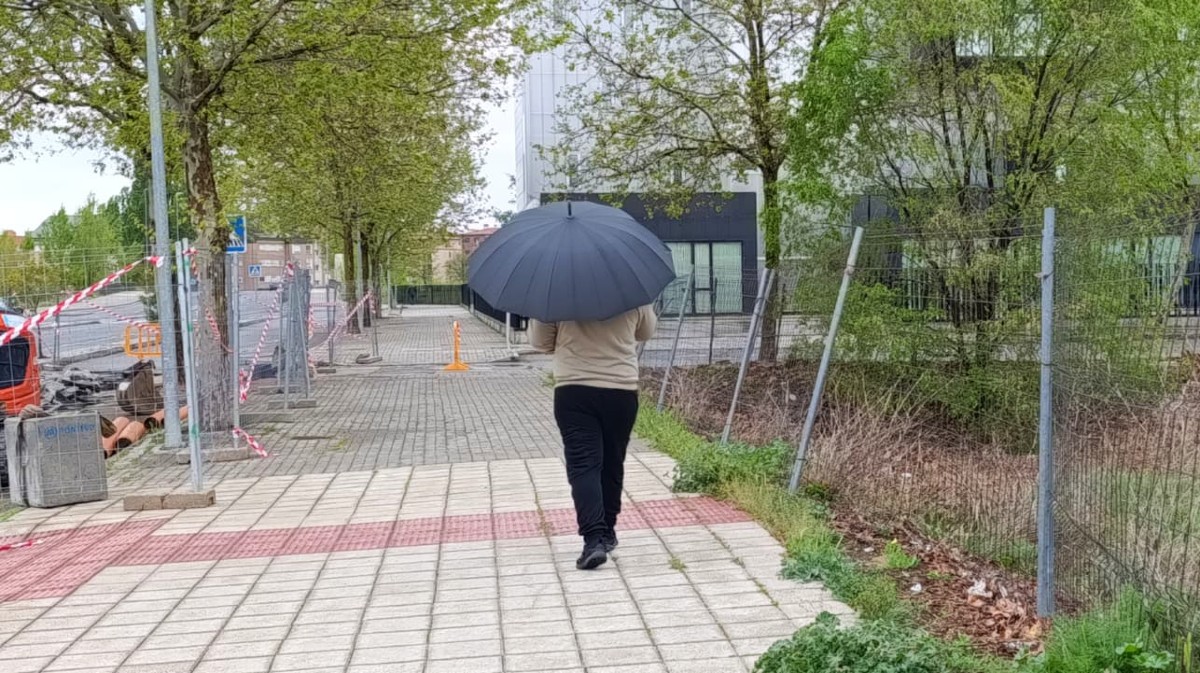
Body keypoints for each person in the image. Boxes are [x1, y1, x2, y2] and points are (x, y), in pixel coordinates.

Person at [530, 304, 658, 570]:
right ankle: (608, 531)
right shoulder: (631, 289)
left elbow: (540, 343)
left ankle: (593, 540)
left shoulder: (557, 293)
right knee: (613, 462)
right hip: (621, 390)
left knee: (583, 466)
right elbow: (646, 331)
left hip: (574, 390)